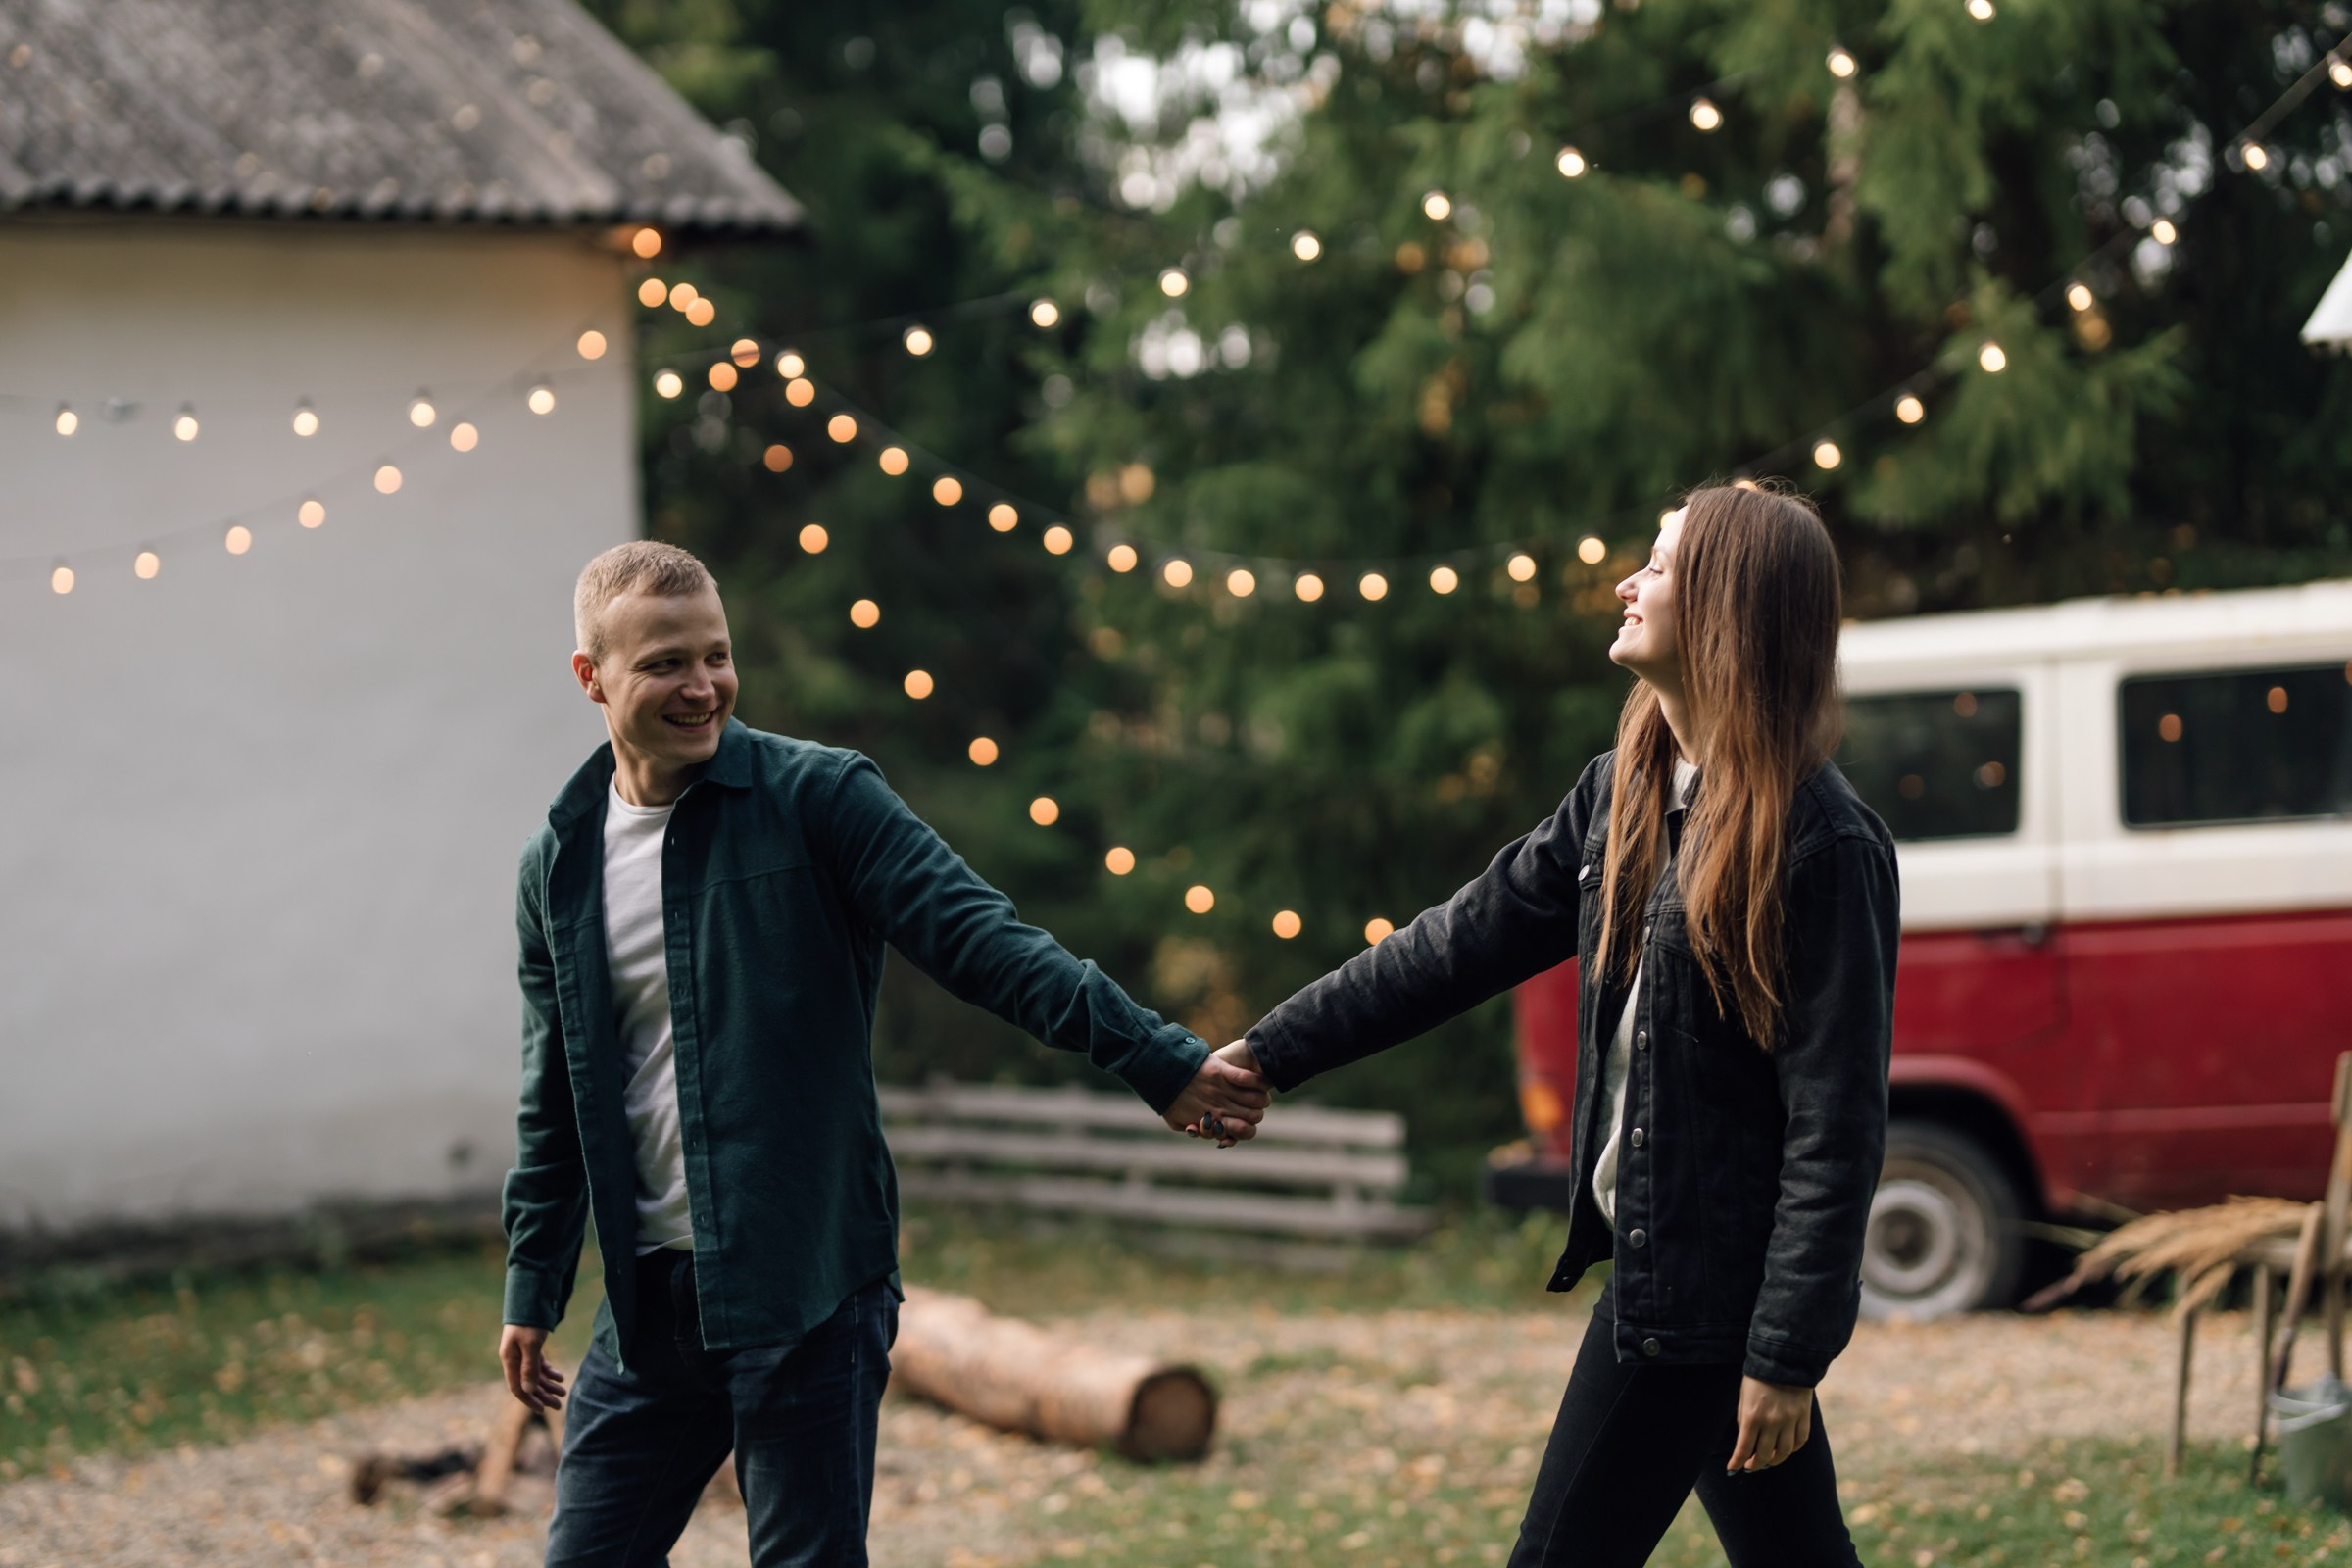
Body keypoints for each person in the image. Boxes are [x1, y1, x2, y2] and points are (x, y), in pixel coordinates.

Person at [498, 540, 1271, 1567]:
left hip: (809, 1286)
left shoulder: (820, 799)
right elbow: (555, 1088)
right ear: (592, 676)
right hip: (650, 1312)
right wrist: (532, 1280)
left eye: (716, 656)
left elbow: (986, 940)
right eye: (666, 664)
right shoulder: (559, 862)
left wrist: (1154, 1059)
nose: (703, 686)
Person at [1202, 486, 1897, 1566]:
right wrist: (1271, 1048)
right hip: (1677, 1278)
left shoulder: (1821, 844)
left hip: (1695, 1307)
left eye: (1658, 566)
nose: (1626, 583)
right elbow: (1451, 947)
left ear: (1726, 603)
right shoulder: (1624, 795)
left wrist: (1789, 1354)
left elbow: (1835, 1123)